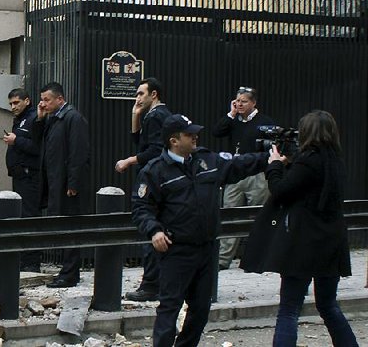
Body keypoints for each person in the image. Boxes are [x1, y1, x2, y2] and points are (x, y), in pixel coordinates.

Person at [132, 114, 269, 347]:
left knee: (201, 309)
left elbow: (239, 164)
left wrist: (271, 158)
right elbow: (141, 207)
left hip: (206, 248)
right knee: (169, 308)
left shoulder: (207, 160)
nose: (195, 137)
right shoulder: (156, 170)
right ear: (174, 141)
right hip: (176, 250)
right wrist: (154, 231)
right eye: (189, 134)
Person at [241, 111, 357, 347]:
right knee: (328, 304)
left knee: (289, 308)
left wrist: (274, 166)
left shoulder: (308, 161)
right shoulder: (335, 159)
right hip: (331, 240)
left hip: (304, 242)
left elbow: (282, 190)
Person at [115, 77, 171, 301]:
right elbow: (140, 143)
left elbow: (153, 150)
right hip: (157, 177)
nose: (137, 98)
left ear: (153, 94)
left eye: (141, 94)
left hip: (154, 180)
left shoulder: (157, 116)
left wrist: (129, 161)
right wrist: (135, 115)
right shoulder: (152, 115)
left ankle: (150, 285)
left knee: (151, 227)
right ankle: (154, 282)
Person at [31, 81, 90, 288]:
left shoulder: (72, 118)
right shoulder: (52, 119)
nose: (43, 104)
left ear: (60, 99)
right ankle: (66, 270)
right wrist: (39, 119)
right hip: (55, 182)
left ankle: (70, 273)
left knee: (70, 227)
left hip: (67, 184)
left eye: (47, 100)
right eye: (41, 100)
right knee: (63, 226)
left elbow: (78, 153)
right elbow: (37, 142)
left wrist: (73, 182)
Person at [212, 86, 275, 270]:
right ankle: (223, 259)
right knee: (230, 213)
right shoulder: (233, 121)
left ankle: (257, 257)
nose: (239, 104)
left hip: (256, 174)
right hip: (234, 172)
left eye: (244, 101)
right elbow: (217, 131)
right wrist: (231, 114)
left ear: (254, 103)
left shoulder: (265, 122)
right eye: (237, 101)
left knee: (257, 215)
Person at [3, 88, 41, 272]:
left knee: (29, 218)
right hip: (19, 175)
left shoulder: (34, 118)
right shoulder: (20, 120)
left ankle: (32, 262)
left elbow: (38, 147)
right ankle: (25, 260)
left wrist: (15, 140)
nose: (13, 106)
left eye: (16, 102)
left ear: (27, 100)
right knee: (21, 218)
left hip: (29, 175)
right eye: (11, 103)